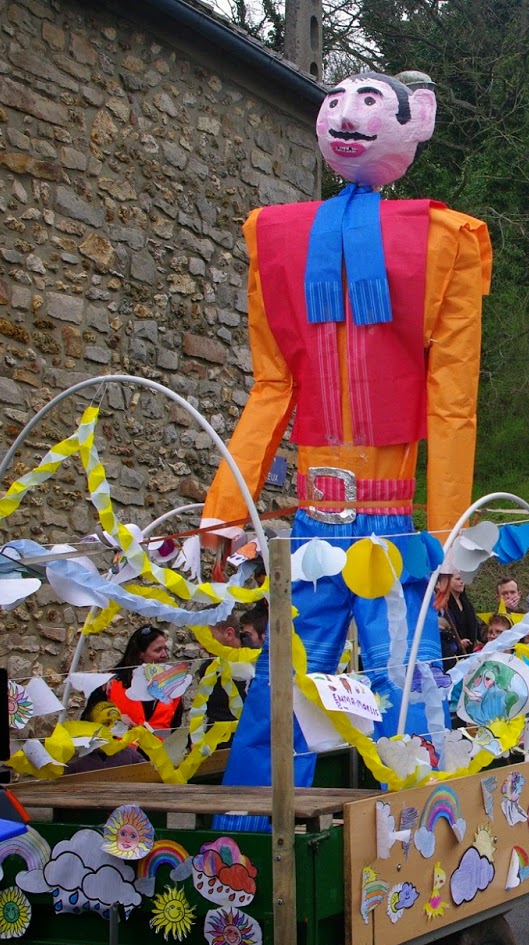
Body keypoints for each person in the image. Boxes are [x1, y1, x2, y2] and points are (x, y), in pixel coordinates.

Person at [199, 72, 491, 804]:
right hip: (318, 524)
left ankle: (423, 840)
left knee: (404, 684)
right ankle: (253, 844)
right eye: (337, 99)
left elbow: (453, 403)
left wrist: (447, 534)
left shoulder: (444, 239)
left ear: (414, 119)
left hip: (380, 523)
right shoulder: (277, 237)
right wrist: (223, 507)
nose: (345, 112)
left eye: (368, 101)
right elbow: (274, 385)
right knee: (290, 687)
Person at [92, 625, 180, 729]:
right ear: (140, 654)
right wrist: (114, 718)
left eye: (165, 649)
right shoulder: (110, 682)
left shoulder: (172, 686)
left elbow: (175, 725)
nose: (164, 654)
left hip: (157, 745)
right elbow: (90, 718)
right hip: (119, 744)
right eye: (158, 650)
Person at [436, 569, 482, 663]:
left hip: (469, 654)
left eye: (463, 579)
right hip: (453, 654)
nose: (462, 582)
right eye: (458, 579)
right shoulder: (443, 606)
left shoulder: (467, 604)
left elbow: (476, 628)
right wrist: (457, 642)